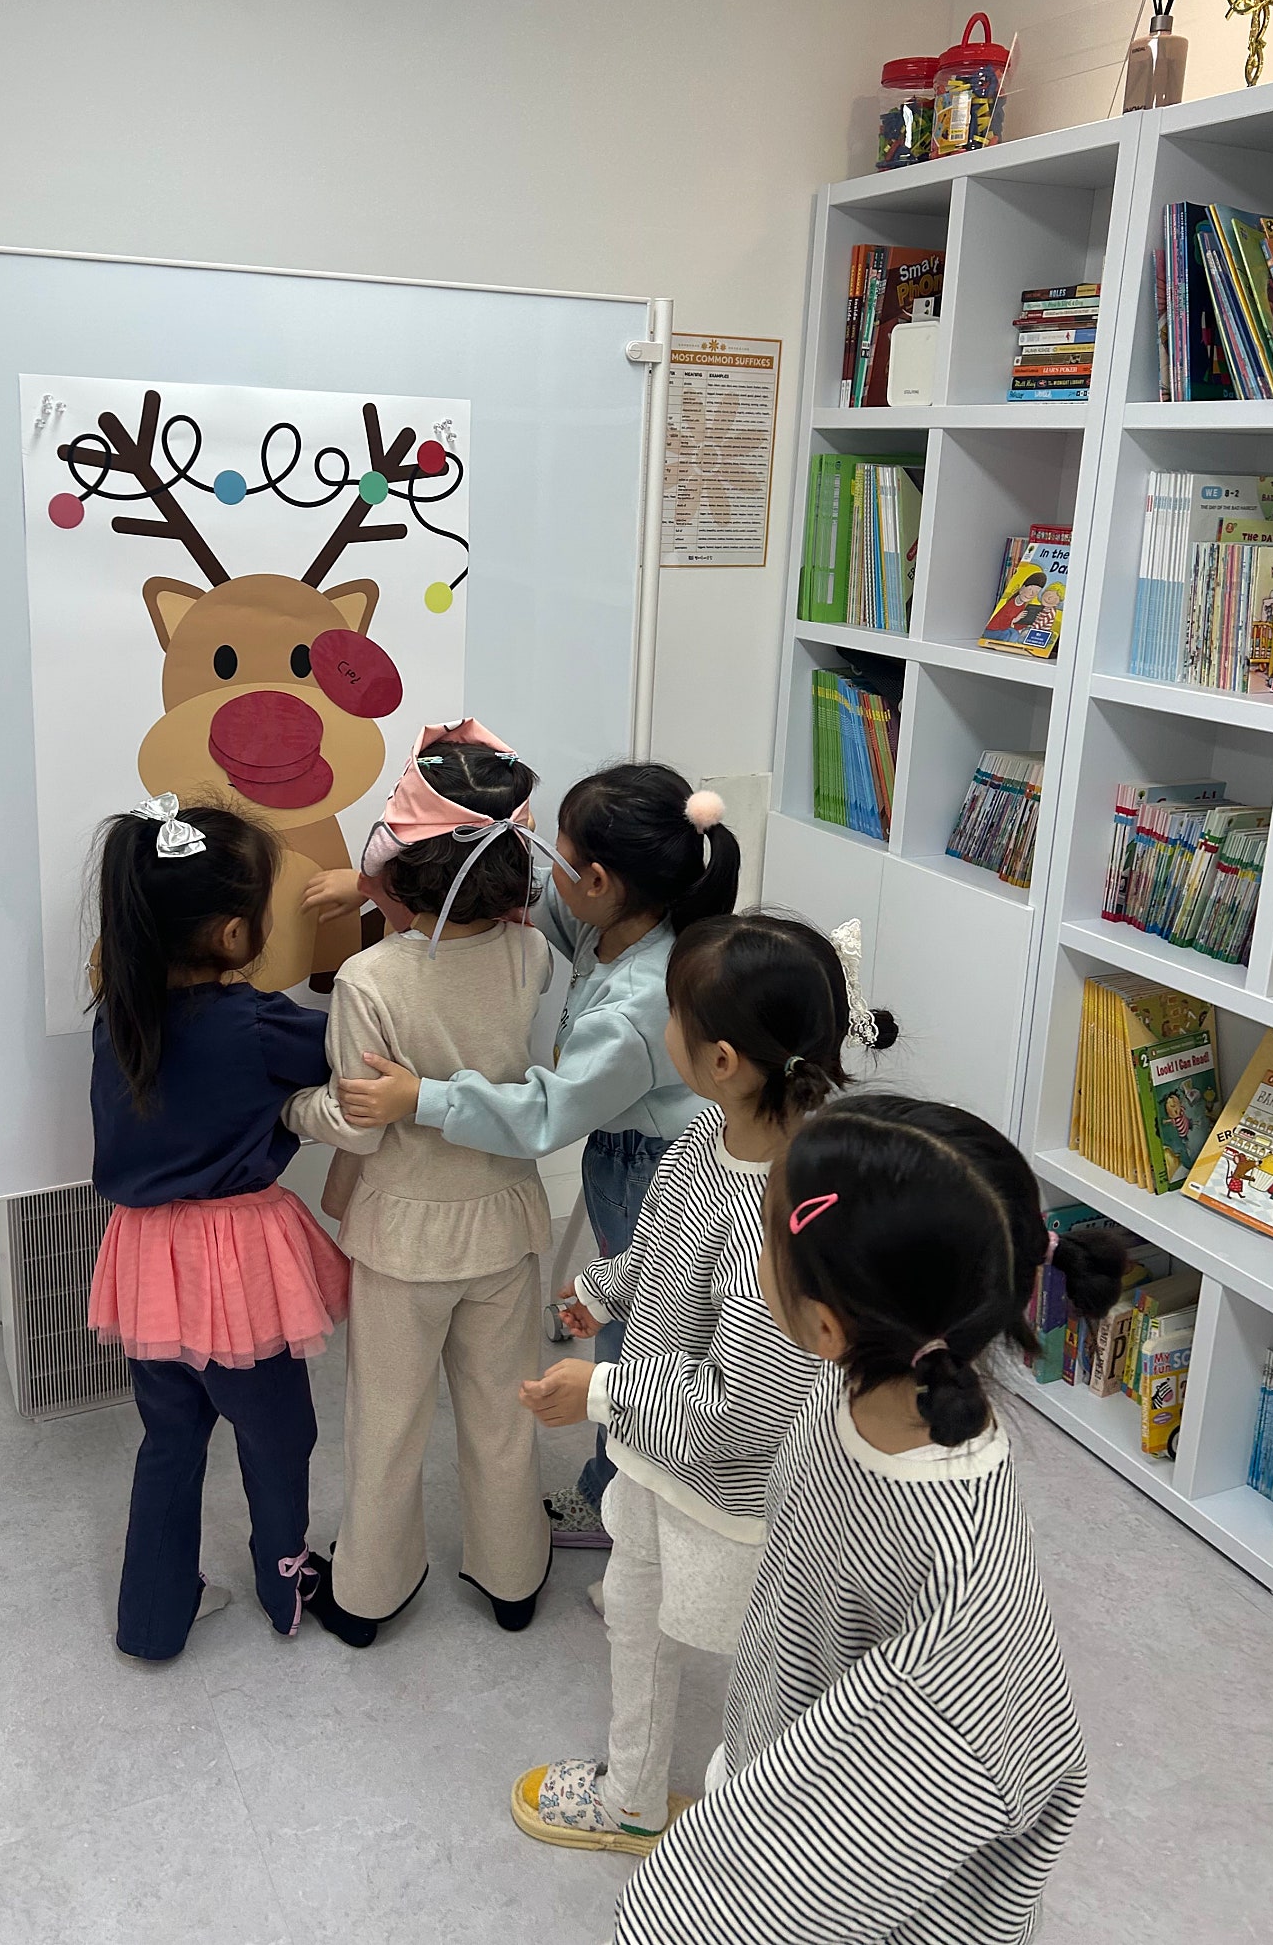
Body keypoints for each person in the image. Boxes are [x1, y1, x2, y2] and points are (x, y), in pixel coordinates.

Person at [607, 1094, 1128, 1944]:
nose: (754, 1246)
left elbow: (811, 1871)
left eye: (764, 1233)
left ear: (822, 1321)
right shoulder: (854, 1377)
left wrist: (689, 1885)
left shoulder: (962, 1605)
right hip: (776, 1760)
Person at [509, 912, 899, 1853]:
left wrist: (598, 1393)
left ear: (721, 1059)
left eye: (672, 1012)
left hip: (728, 1496)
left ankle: (756, 1838)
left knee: (762, 1679)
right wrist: (602, 1293)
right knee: (636, 1618)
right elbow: (662, 1248)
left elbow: (742, 1411)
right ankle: (633, 1797)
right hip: (658, 1461)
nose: (662, 1025)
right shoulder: (701, 1140)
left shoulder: (785, 1220)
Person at [306, 762, 742, 1551]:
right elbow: (513, 904)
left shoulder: (636, 1002)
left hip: (654, 1171)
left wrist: (421, 1097)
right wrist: (373, 886)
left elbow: (544, 1114)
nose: (542, 872)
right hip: (615, 1161)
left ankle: (623, 1505)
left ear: (600, 881)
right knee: (606, 1327)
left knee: (639, 1338)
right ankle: (589, 1506)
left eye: (557, 858)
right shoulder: (607, 925)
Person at [283, 723, 562, 1646]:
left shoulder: (368, 979)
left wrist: (294, 1111)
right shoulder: (530, 955)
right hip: (504, 1224)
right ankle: (514, 1577)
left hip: (402, 1236)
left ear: (399, 864)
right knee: (503, 1412)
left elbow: (356, 1117)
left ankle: (366, 1595)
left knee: (387, 1422)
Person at [86, 795, 355, 1661]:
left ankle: (150, 1617)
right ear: (235, 934)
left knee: (169, 1439)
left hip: (144, 1258)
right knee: (278, 1434)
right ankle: (285, 1584)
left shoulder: (116, 1021)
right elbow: (348, 1050)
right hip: (236, 1264)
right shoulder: (255, 1023)